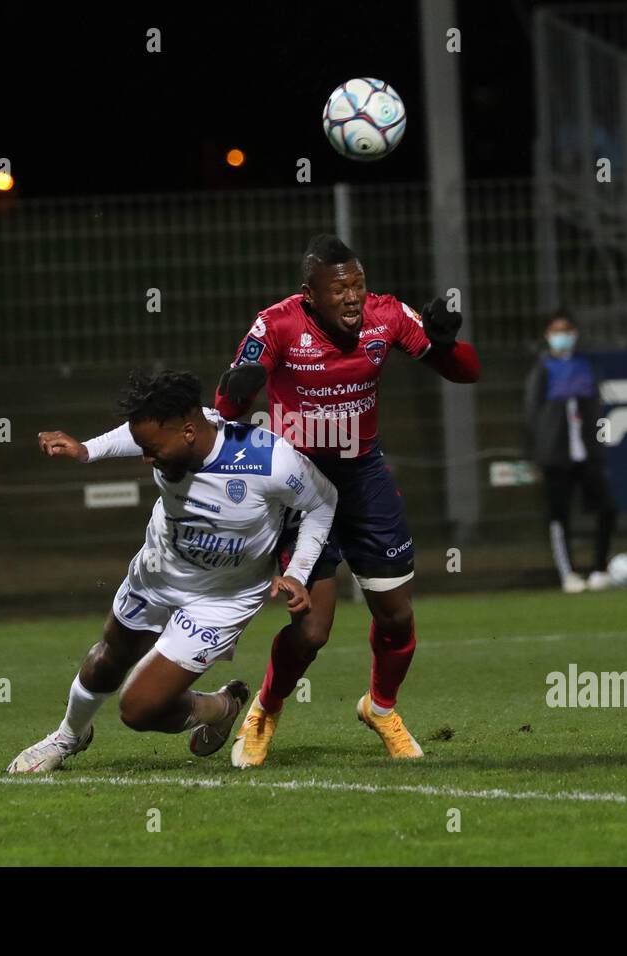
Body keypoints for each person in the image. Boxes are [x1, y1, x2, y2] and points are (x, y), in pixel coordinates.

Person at [213, 234, 480, 767]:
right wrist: (240, 389)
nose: (353, 297)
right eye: (340, 289)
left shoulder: (387, 315)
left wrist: (448, 346)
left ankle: (381, 709)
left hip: (364, 478)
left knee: (397, 616)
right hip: (300, 488)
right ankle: (265, 707)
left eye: (358, 284)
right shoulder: (279, 323)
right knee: (311, 631)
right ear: (310, 294)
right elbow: (227, 403)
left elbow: (467, 373)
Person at [6, 369, 337, 772]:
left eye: (152, 449)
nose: (146, 458)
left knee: (139, 709)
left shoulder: (271, 460)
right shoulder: (173, 430)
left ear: (188, 433)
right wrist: (85, 451)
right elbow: (138, 434)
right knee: (109, 656)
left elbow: (323, 503)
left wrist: (298, 574)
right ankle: (69, 736)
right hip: (160, 570)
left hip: (221, 600)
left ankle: (220, 706)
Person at [524, 310, 618, 594]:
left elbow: (597, 405)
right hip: (555, 457)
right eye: (556, 331)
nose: (562, 336)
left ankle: (600, 568)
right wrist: (538, 454)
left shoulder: (587, 365)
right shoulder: (541, 369)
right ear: (547, 335)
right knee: (559, 516)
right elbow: (531, 414)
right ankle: (568, 573)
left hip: (587, 454)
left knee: (607, 508)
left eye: (566, 330)